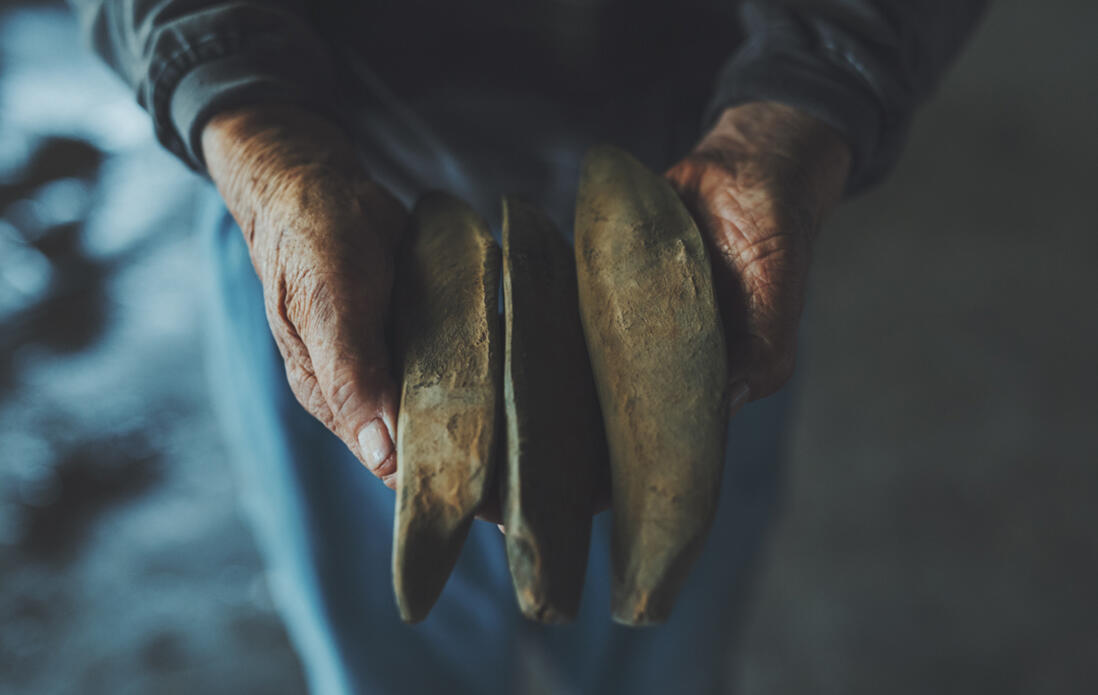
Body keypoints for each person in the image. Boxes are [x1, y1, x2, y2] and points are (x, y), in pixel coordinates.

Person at [70, 1, 986, 692]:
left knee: (660, 643)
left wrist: (812, 91)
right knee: (388, 658)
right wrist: (244, 118)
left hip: (702, 200)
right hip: (334, 198)